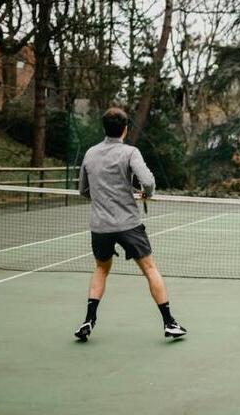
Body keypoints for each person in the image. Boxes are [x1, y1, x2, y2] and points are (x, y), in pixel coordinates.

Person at [74, 107, 186, 341]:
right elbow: (147, 181)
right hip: (128, 224)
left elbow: (84, 190)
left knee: (101, 269)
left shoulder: (90, 153)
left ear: (104, 128)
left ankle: (88, 320)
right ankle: (169, 322)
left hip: (100, 226)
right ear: (125, 129)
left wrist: (104, 197)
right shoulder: (130, 152)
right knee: (150, 269)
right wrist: (146, 193)